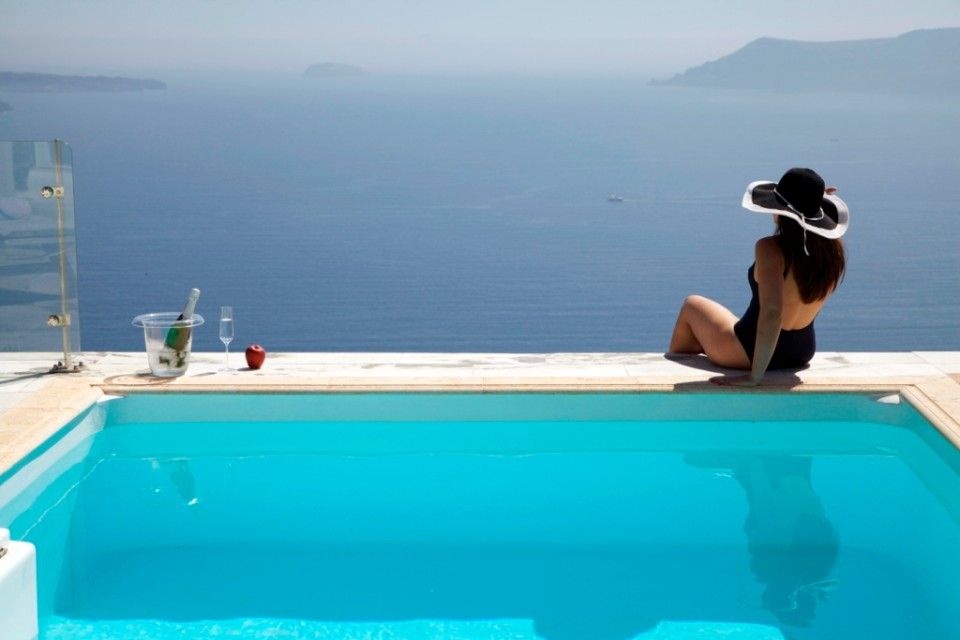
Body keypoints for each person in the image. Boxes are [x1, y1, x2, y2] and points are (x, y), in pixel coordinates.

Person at [668, 167, 849, 386]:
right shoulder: (831, 253)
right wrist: (811, 197)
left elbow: (773, 313)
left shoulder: (771, 249)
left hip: (750, 352)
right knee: (718, 323)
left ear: (782, 211)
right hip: (801, 351)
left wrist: (755, 377)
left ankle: (675, 385)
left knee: (691, 305)